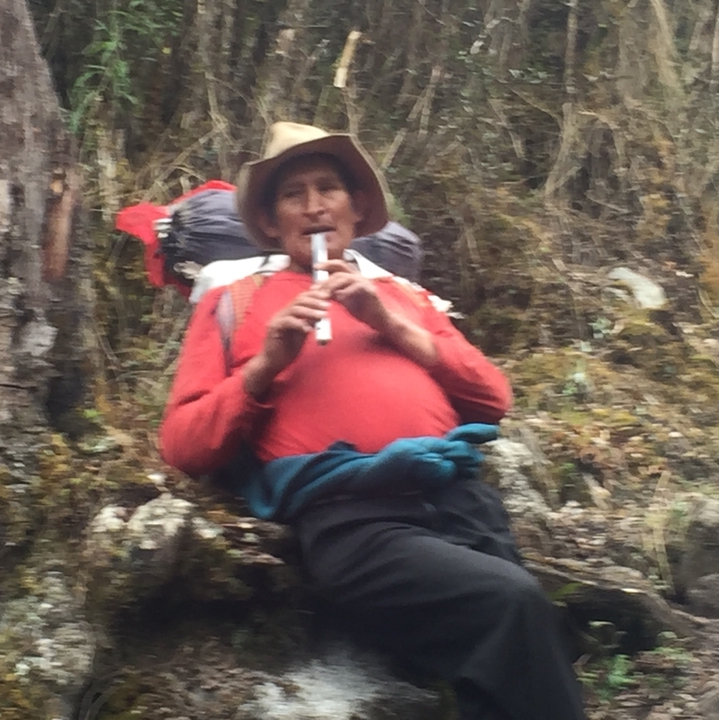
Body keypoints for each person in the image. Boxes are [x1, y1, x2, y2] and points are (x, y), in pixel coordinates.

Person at [160, 122, 587, 720]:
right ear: (270, 220)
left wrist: (389, 320)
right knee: (509, 604)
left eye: (328, 188)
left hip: (458, 497)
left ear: (356, 208)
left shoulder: (401, 295)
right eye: (293, 194)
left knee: (523, 634)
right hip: (353, 520)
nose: (313, 207)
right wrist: (265, 366)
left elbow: (492, 397)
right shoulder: (234, 302)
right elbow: (183, 443)